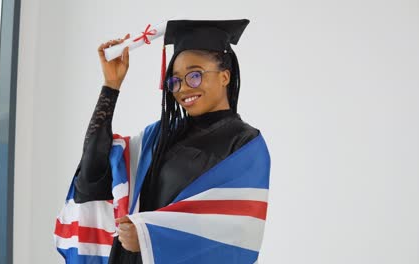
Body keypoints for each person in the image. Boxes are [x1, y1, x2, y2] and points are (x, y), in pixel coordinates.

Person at [54, 19, 271, 264]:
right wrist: (111, 86)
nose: (183, 89)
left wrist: (149, 236)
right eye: (175, 80)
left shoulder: (244, 144)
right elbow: (94, 171)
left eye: (195, 75)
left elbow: (235, 233)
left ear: (224, 76)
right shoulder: (160, 136)